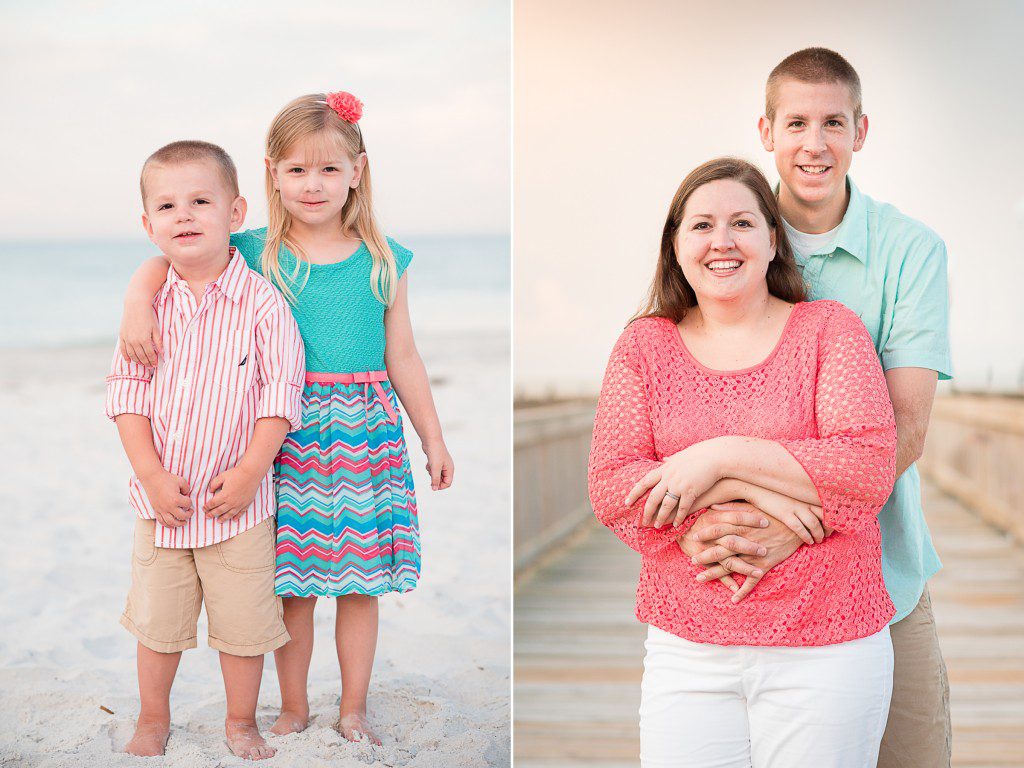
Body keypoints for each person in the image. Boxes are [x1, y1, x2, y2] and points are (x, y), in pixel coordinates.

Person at [117, 91, 455, 745]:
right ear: (272, 174)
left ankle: (353, 706)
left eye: (329, 169)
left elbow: (404, 355)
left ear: (358, 171)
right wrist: (138, 294)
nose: (313, 184)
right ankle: (293, 706)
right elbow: (175, 253)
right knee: (293, 584)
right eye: (297, 169)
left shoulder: (386, 260)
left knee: (360, 586)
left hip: (364, 431)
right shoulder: (253, 248)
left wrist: (432, 437)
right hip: (282, 437)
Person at [680, 48, 953, 767]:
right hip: (732, 576)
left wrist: (795, 532)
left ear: (861, 131)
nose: (814, 143)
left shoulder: (911, 251)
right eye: (796, 122)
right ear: (765, 131)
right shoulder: (722, 237)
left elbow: (908, 425)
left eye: (833, 122)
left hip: (880, 571)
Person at [589, 157, 898, 767]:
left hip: (829, 640)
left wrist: (714, 459)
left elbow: (866, 465)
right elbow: (611, 483)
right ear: (675, 244)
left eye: (742, 223)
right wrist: (730, 507)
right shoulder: (644, 345)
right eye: (702, 225)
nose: (722, 241)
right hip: (688, 645)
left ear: (772, 239)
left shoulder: (828, 330)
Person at [106, 140, 305, 760]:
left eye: (200, 200)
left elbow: (280, 395)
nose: (184, 215)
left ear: (236, 212)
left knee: (244, 628)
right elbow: (126, 396)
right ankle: (152, 718)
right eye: (167, 205)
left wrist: (251, 471)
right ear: (148, 225)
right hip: (162, 501)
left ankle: (240, 721)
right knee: (158, 625)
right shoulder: (146, 311)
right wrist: (151, 474)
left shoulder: (264, 304)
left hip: (237, 508)